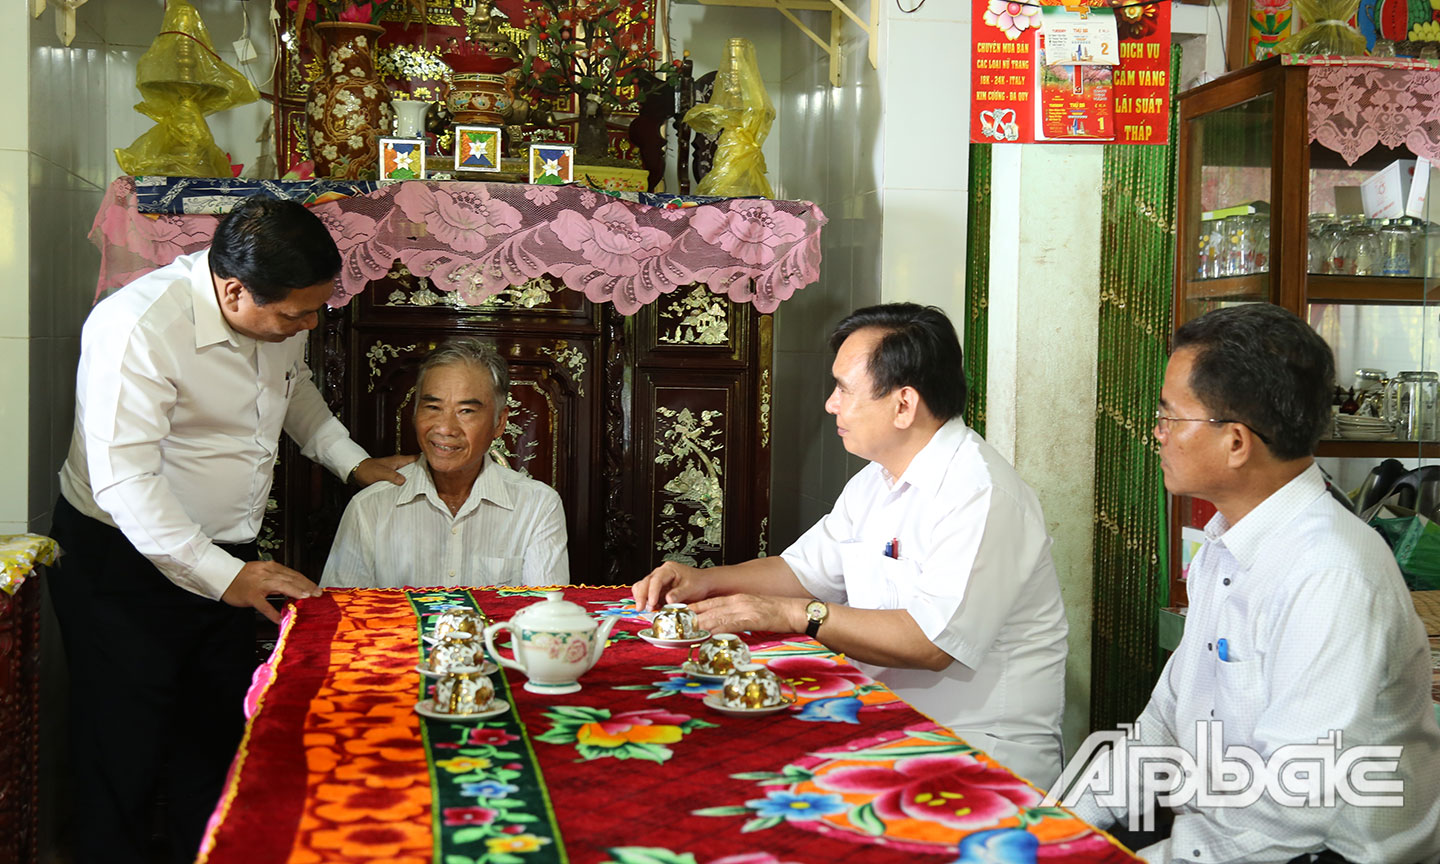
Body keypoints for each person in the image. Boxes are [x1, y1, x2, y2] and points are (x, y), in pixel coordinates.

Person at [47, 196, 414, 864]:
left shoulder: (279, 311)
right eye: (294, 314)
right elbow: (126, 485)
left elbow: (293, 389)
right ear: (233, 288)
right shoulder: (137, 329)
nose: (307, 324)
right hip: (120, 562)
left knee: (211, 743)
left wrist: (352, 463)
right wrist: (228, 577)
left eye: (315, 309)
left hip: (223, 557)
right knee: (120, 754)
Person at [633, 302, 1069, 786]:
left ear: (904, 404)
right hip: (888, 724)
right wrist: (705, 581)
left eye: (843, 389)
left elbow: (931, 642)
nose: (830, 404)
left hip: (977, 751)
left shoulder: (980, 493)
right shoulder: (875, 481)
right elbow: (804, 570)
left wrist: (796, 615)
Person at [1064, 304, 1440, 863]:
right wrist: (1061, 822)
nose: (1157, 433)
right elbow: (1165, 721)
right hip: (1229, 837)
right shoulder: (1228, 543)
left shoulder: (1329, 574)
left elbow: (1291, 807)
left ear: (1236, 441)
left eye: (1170, 417)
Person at [322, 338, 569, 588]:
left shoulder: (537, 506)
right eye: (432, 406)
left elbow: (546, 617)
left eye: (466, 411)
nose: (444, 428)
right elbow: (340, 617)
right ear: (414, 410)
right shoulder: (369, 508)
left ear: (499, 422)